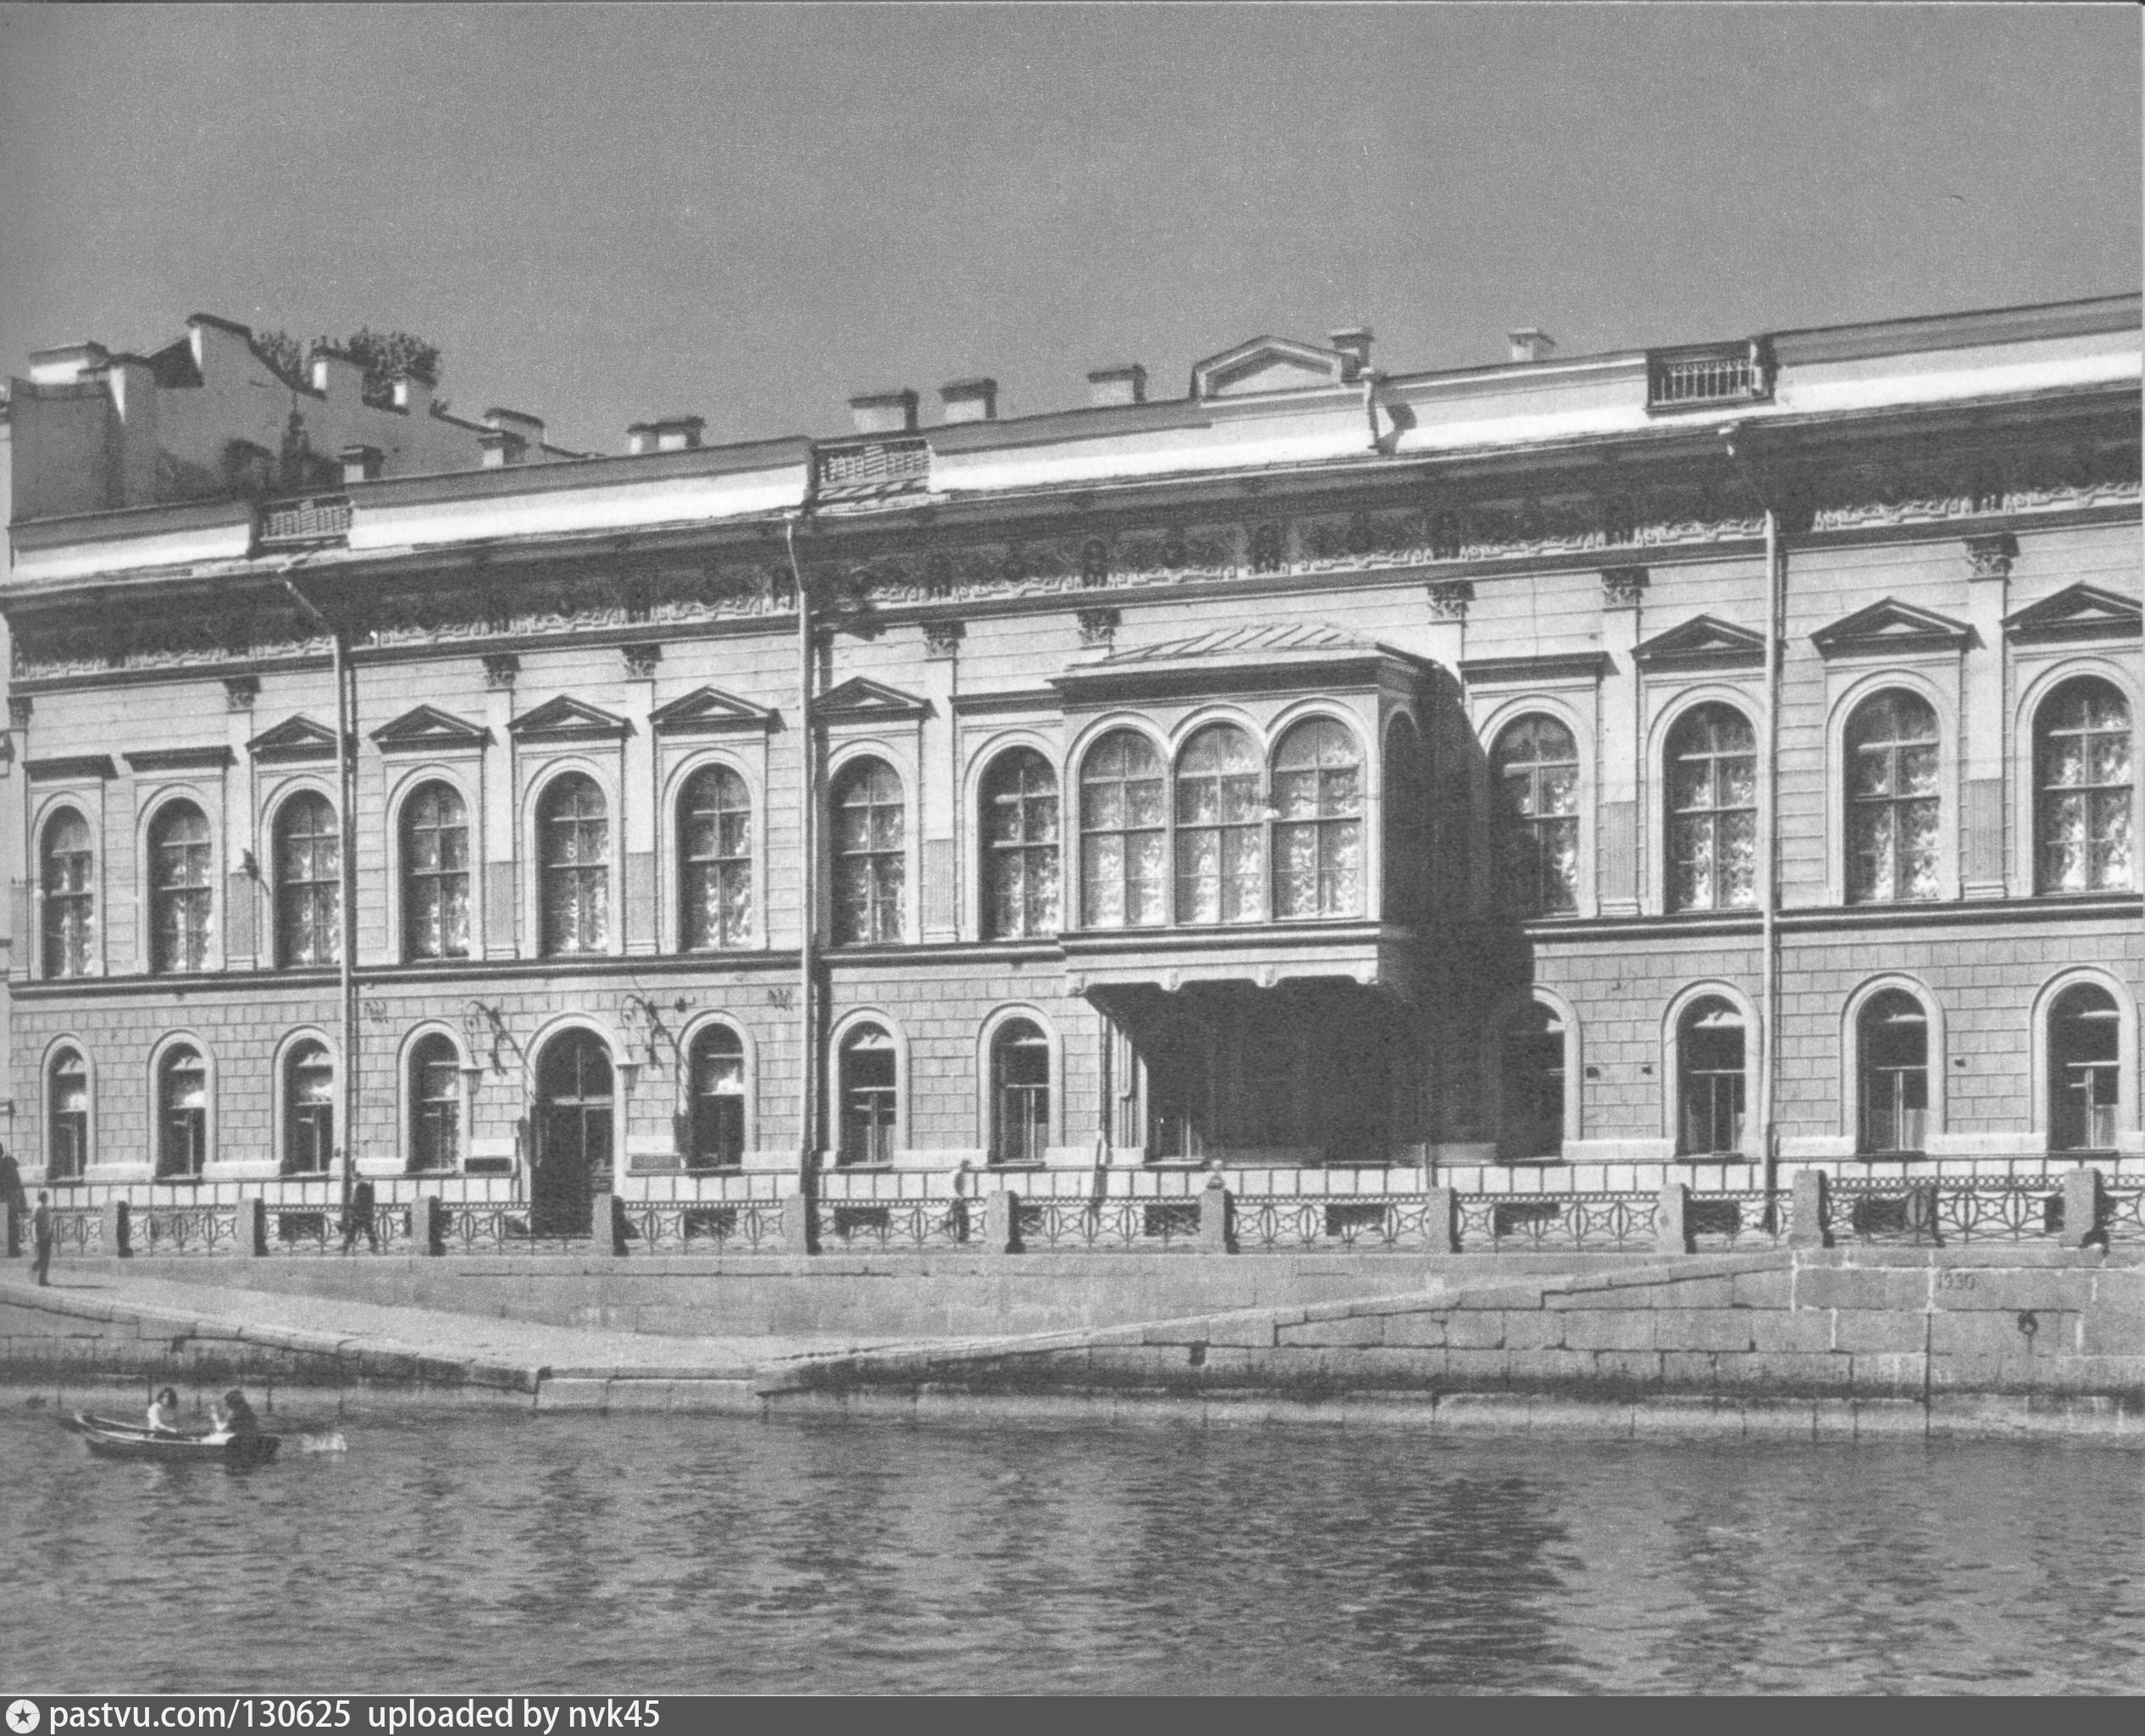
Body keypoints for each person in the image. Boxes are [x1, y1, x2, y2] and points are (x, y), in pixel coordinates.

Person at [340, 1177, 378, 1254]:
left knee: (353, 1230)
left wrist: (353, 1210)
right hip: (365, 1214)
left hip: (359, 1214)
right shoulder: (366, 1186)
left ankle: (345, 1247)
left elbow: (357, 1201)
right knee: (368, 1230)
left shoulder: (360, 1186)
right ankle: (374, 1246)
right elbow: (369, 1201)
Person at [30, 1189, 53, 1287]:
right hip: (41, 1236)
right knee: (43, 1258)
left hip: (45, 1235)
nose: (47, 1199)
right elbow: (36, 1223)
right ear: (42, 1198)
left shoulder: (44, 1208)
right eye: (46, 1197)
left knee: (45, 1258)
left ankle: (43, 1279)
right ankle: (41, 1278)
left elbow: (48, 1222)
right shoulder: (39, 1208)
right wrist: (36, 1238)